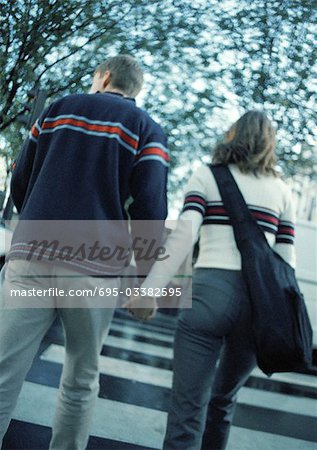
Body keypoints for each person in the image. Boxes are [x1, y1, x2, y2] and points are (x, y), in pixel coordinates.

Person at [0, 54, 169, 449]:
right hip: (95, 265)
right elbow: (150, 208)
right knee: (80, 379)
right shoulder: (147, 129)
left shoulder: (57, 110)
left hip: (33, 253)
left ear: (104, 76)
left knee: (5, 371)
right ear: (134, 89)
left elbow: (20, 181)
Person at [126, 110, 296, 449]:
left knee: (186, 411)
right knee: (223, 403)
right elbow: (286, 262)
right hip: (256, 305)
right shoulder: (283, 191)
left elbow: (183, 237)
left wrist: (150, 290)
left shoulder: (206, 176)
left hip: (208, 295)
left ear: (231, 136)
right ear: (269, 144)